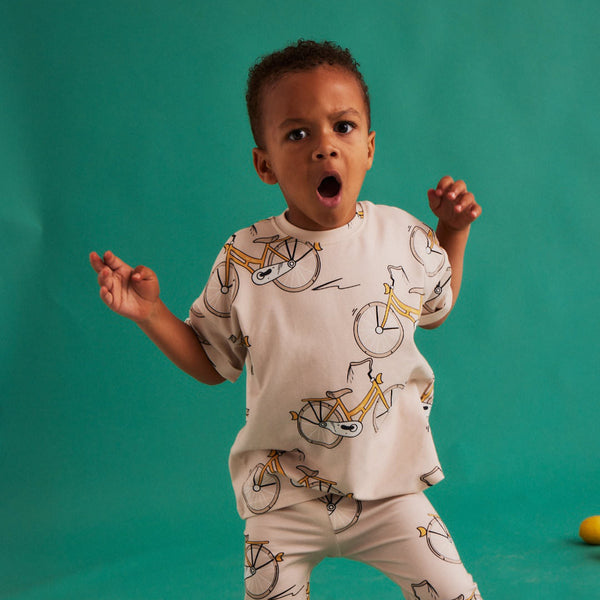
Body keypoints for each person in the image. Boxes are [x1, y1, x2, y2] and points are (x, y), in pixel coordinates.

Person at [90, 40, 483, 599]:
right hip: (283, 499)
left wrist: (452, 233)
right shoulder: (244, 258)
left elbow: (435, 310)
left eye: (343, 127)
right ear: (264, 163)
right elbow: (210, 363)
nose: (324, 148)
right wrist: (150, 312)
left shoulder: (402, 238)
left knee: (456, 593)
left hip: (389, 490)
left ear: (369, 148)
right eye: (297, 134)